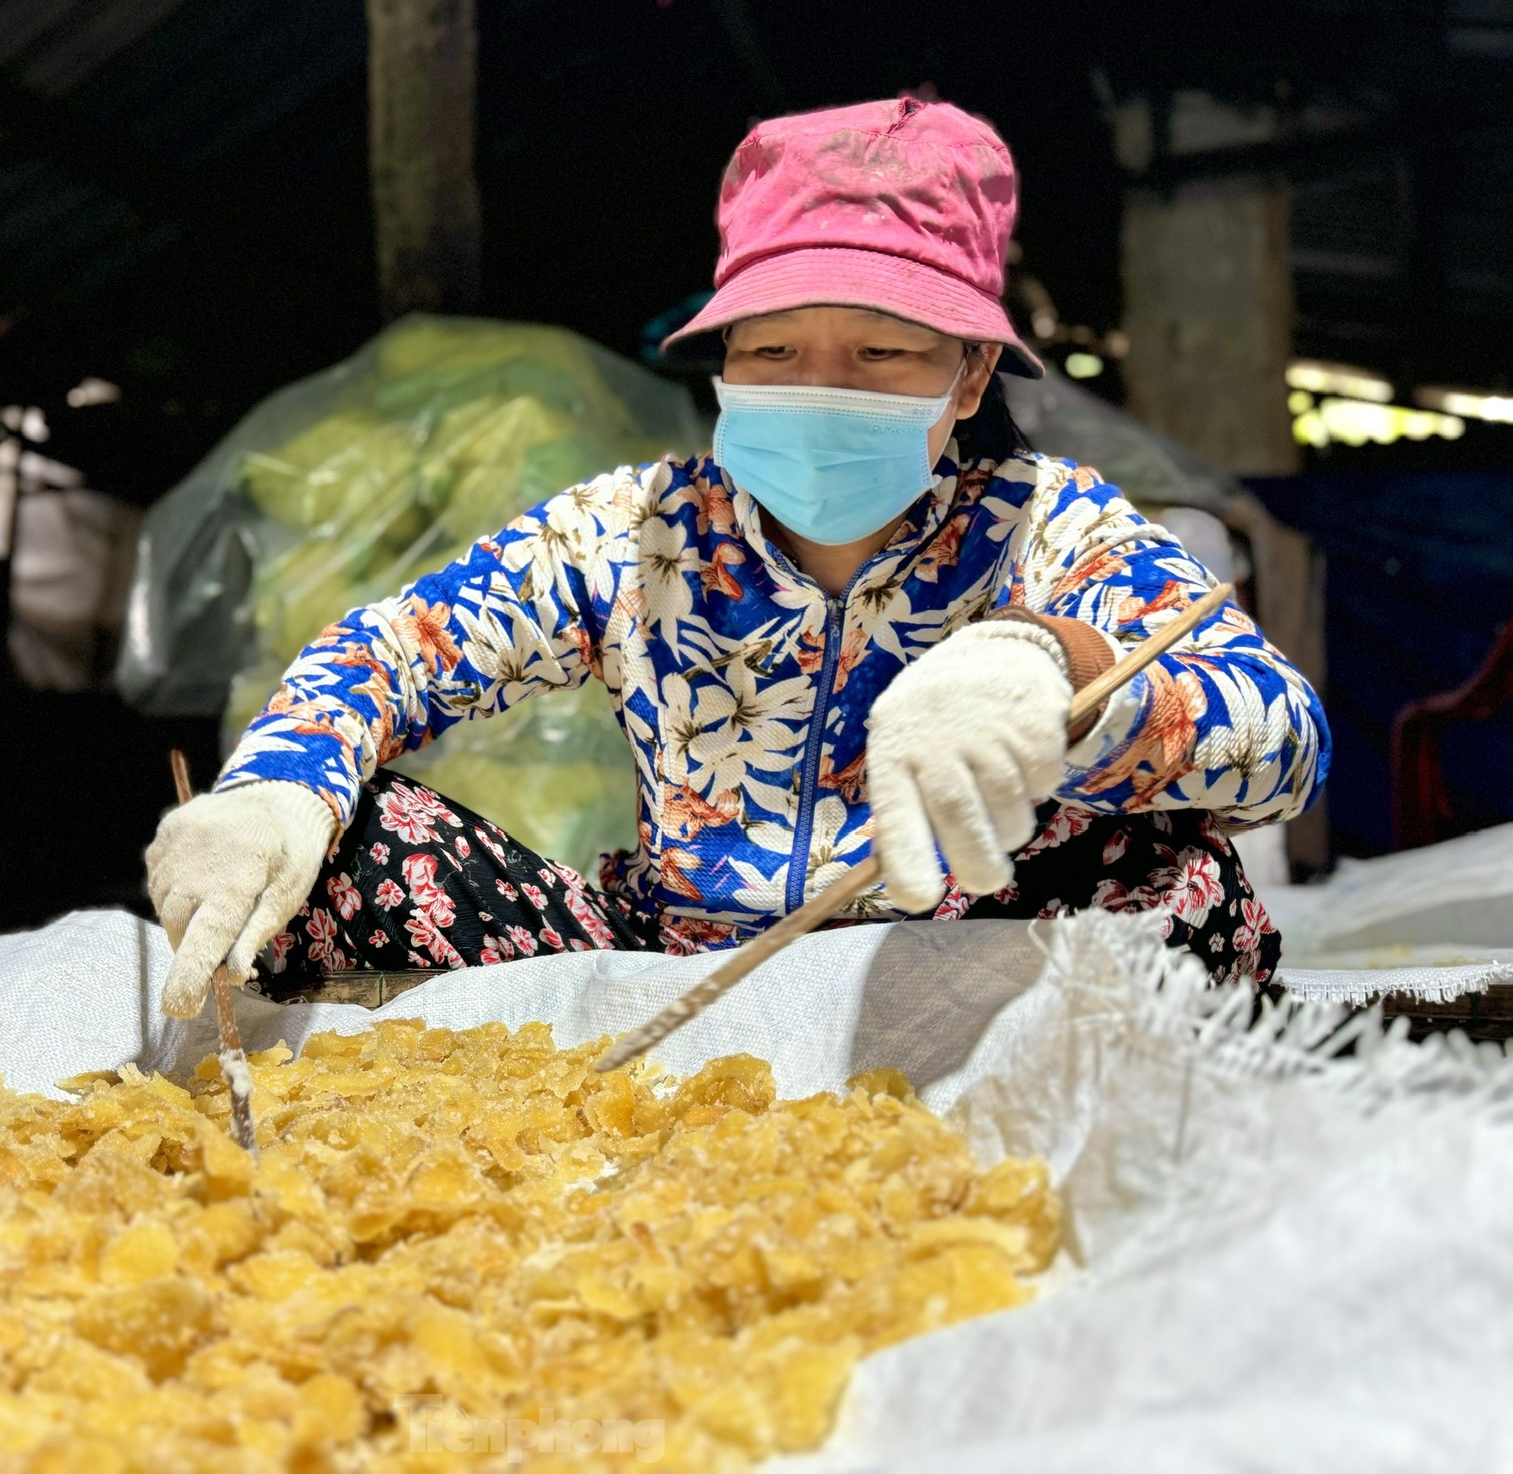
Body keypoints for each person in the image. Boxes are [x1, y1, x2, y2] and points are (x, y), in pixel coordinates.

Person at [147, 97, 1329, 1013]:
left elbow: (1282, 737)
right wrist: (275, 792)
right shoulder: (635, 530)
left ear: (971, 375)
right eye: (772, 350)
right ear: (719, 365)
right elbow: (391, 652)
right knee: (351, 846)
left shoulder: (1052, 525)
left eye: (879, 352)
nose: (818, 386)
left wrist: (1053, 675)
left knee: (1189, 887)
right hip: (686, 978)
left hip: (972, 979)